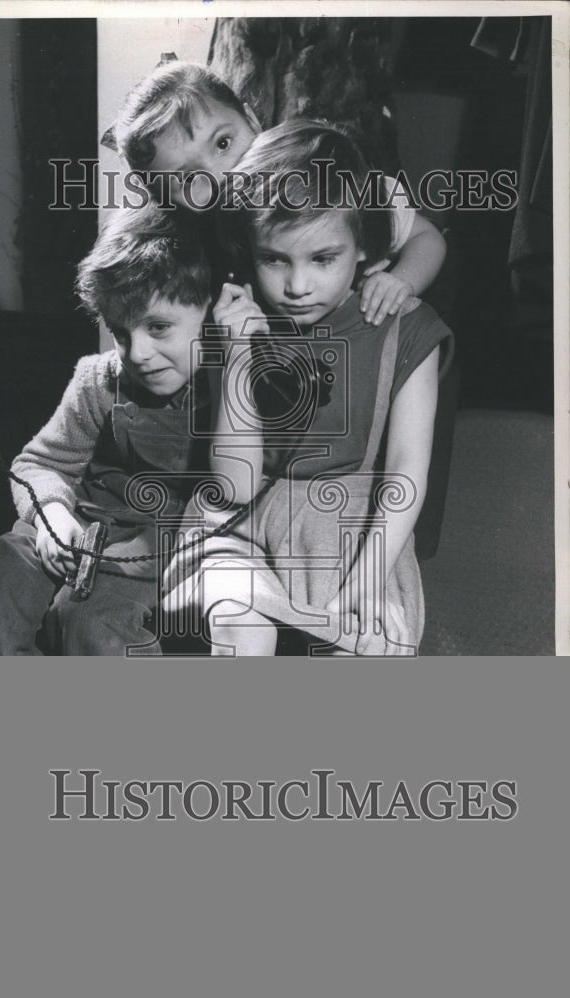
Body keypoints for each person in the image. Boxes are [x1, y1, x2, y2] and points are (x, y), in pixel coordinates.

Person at [162, 119, 453, 656]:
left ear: (364, 248)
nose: (296, 287)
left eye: (323, 259)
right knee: (239, 624)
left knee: (367, 645)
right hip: (241, 529)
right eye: (275, 259)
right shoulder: (238, 322)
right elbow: (237, 488)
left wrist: (369, 574)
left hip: (355, 535)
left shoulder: (406, 327)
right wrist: (238, 358)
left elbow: (409, 468)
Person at [0, 203, 218, 656]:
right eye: (121, 332)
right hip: (75, 527)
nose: (137, 353)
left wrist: (139, 556)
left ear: (212, 314)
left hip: (153, 552)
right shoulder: (100, 379)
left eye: (159, 328)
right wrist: (51, 517)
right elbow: (39, 463)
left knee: (91, 624)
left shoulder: (231, 394)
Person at [110, 61, 446, 326]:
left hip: (390, 330)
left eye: (223, 143)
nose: (219, 176)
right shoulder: (197, 242)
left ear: (253, 121)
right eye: (187, 179)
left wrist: (401, 282)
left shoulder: (327, 179)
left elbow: (427, 238)